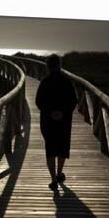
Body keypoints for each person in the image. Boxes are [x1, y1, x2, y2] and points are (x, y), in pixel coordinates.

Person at [35, 54, 78, 191]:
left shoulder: (45, 82)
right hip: (64, 121)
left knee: (50, 149)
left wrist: (51, 113)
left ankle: (53, 179)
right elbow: (73, 101)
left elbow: (39, 101)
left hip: (48, 121)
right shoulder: (67, 81)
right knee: (62, 148)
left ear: (48, 66)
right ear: (59, 65)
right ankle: (59, 173)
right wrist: (62, 113)